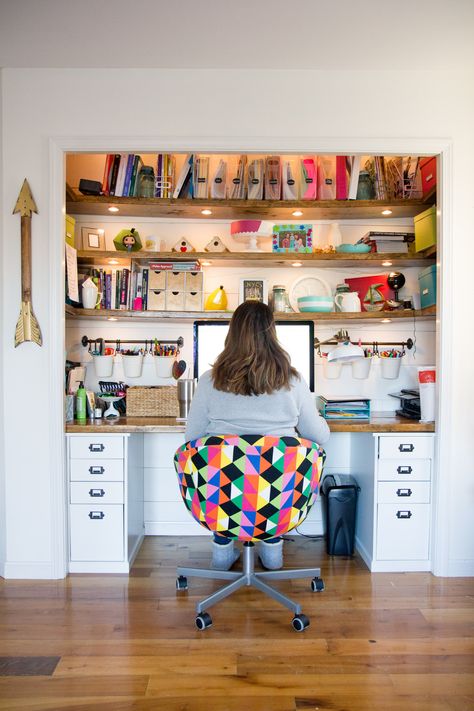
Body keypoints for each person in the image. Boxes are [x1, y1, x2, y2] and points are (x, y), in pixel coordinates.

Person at [185, 301, 330, 571]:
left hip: (223, 498)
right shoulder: (293, 380)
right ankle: (273, 550)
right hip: (277, 497)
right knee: (272, 474)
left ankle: (222, 549)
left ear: (232, 335)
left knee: (225, 472)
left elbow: (191, 437)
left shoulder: (208, 380)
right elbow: (319, 436)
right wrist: (316, 414)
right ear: (271, 335)